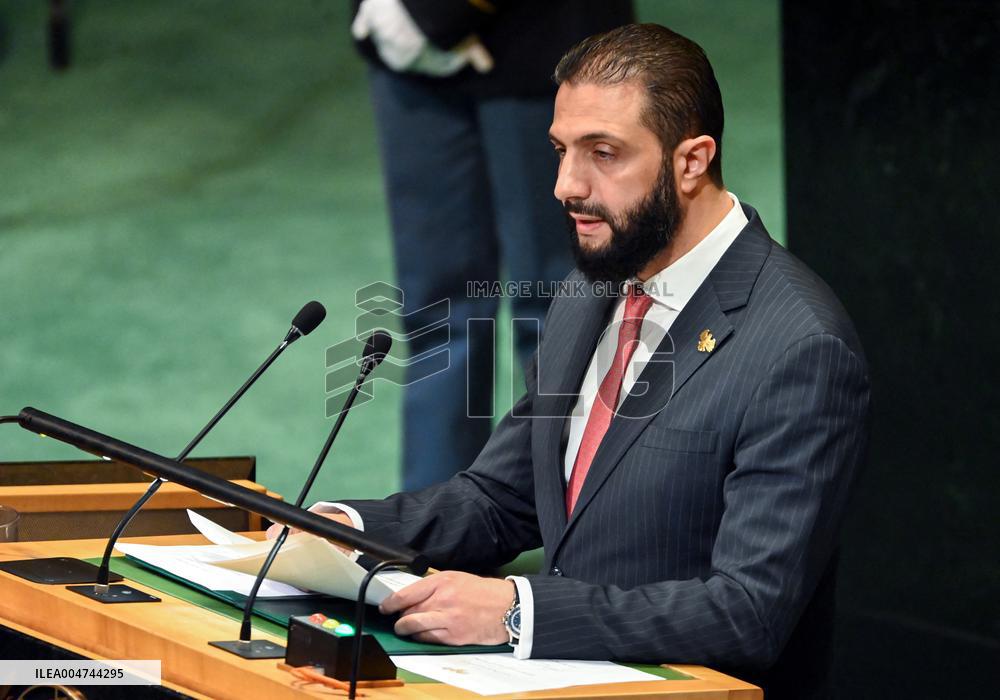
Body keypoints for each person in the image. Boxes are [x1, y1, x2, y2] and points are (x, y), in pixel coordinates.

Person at [304, 23, 871, 699]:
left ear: (691, 162)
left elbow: (746, 612)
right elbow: (502, 499)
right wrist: (336, 531)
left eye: (604, 153)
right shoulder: (590, 288)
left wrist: (516, 610)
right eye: (560, 150)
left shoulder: (800, 348)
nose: (566, 186)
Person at [350, 0, 634, 490]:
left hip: (546, 45)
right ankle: (432, 520)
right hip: (406, 56)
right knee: (434, 309)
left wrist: (430, 16)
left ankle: (572, 517)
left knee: (561, 304)